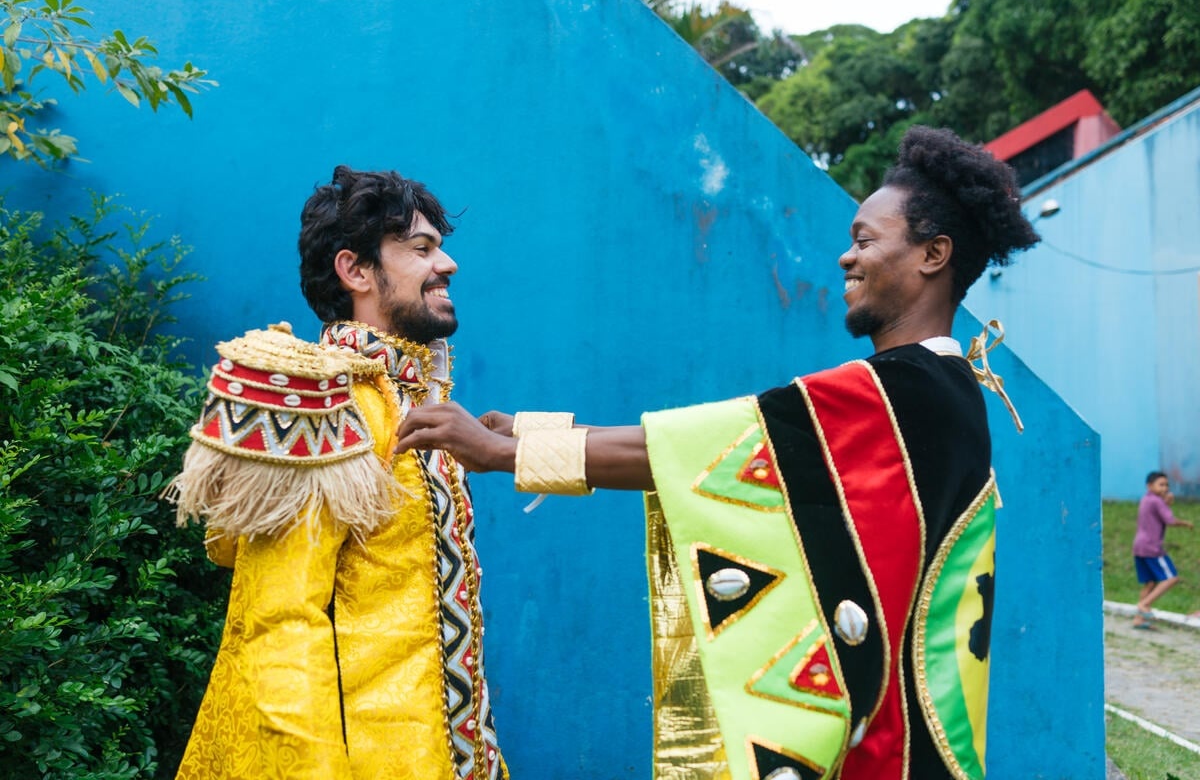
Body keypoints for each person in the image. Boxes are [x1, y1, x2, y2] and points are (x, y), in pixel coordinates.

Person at [395, 126, 1038, 780]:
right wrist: (526, 436)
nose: (845, 258)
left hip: (892, 760)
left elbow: (695, 451)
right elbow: (716, 451)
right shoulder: (941, 390)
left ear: (934, 254)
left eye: (866, 240)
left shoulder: (900, 390)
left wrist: (507, 455)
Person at [167, 166, 506, 779]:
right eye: (422, 249)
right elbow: (280, 622)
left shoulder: (413, 400)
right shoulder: (321, 403)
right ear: (354, 271)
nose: (447, 264)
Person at [1132, 470, 1193, 629]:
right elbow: (1169, 520)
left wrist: (1165, 502)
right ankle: (1144, 605)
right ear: (1149, 486)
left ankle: (1139, 619)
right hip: (1152, 547)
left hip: (1139, 546)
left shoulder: (1147, 499)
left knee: (1150, 583)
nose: (1165, 488)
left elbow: (1157, 512)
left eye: (1166, 485)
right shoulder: (1157, 501)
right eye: (1161, 485)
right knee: (1172, 578)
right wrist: (1186, 523)